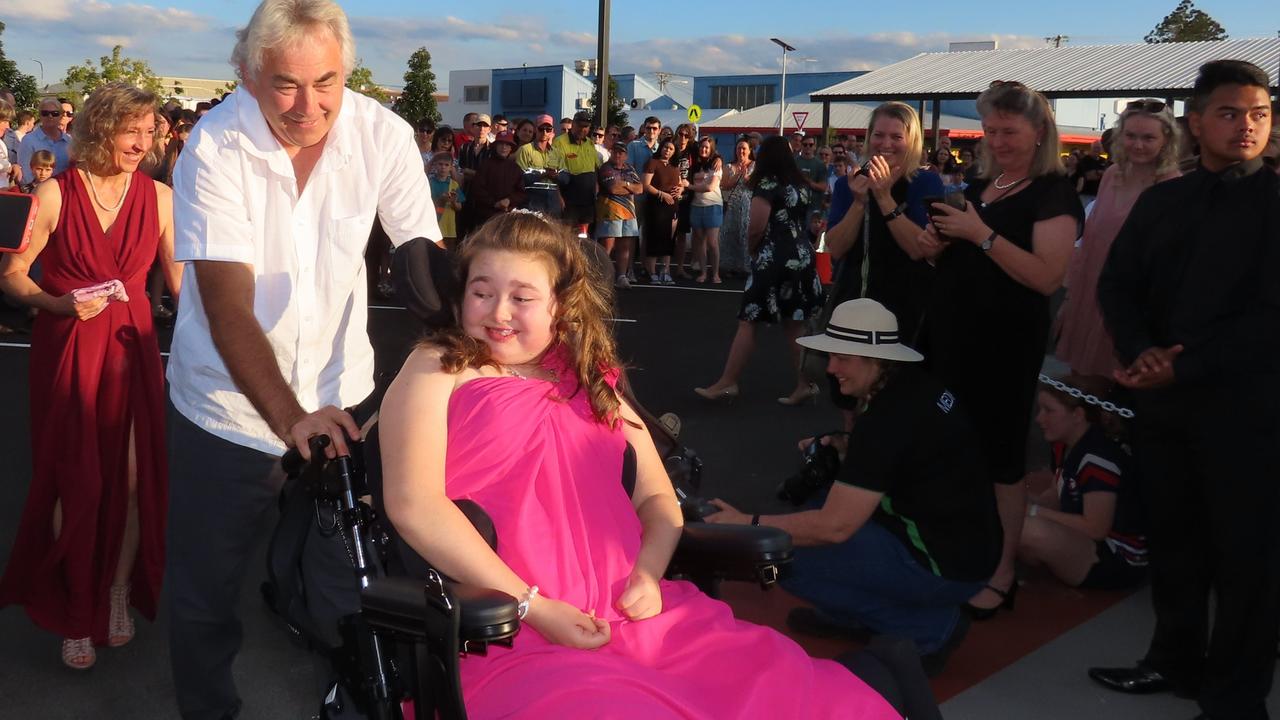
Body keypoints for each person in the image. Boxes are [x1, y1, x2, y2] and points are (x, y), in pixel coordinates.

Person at [377, 211, 899, 720]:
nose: (498, 312)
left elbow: (657, 498)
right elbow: (414, 505)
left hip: (636, 615)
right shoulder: (439, 365)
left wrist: (649, 574)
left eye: (522, 297)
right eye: (482, 291)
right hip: (508, 628)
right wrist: (532, 607)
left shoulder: (589, 378)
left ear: (560, 305)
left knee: (808, 695)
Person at [163, 1, 442, 717]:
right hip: (225, 412)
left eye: (326, 82)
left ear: (346, 70)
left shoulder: (384, 134)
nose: (308, 105)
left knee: (343, 574)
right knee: (204, 590)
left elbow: (419, 266)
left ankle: (347, 695)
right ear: (250, 74)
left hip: (340, 395)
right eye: (286, 84)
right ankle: (208, 708)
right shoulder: (215, 146)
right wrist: (292, 418)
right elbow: (228, 307)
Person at [1090, 59, 1279, 720]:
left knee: (1247, 565)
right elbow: (1117, 284)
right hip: (1164, 409)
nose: (1247, 125)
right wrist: (1140, 352)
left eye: (1259, 113)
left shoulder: (1275, 202)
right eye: (1230, 112)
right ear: (1196, 123)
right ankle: (1173, 662)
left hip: (1249, 415)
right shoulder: (1164, 202)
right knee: (1175, 547)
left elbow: (1269, 316)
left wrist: (1183, 365)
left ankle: (1235, 698)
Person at [707, 298, 1001, 676]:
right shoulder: (916, 388)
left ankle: (928, 628)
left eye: (843, 357)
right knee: (819, 503)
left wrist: (748, 524)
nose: (832, 368)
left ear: (874, 358)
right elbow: (914, 458)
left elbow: (836, 527)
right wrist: (847, 448)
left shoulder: (886, 420)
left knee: (779, 557)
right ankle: (868, 612)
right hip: (969, 548)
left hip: (948, 565)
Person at [0, 82, 181, 670]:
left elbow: (185, 286)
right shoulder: (54, 193)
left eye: (150, 130)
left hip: (132, 350)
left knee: (129, 482)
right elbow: (14, 276)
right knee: (75, 478)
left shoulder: (159, 198)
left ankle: (116, 591)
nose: (143, 140)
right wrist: (57, 304)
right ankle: (76, 606)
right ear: (103, 127)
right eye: (133, 129)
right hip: (71, 346)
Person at [917, 80, 1082, 618]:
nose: (998, 139)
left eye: (1009, 130)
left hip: (1003, 347)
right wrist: (935, 245)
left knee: (1001, 462)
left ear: (1039, 132)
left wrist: (979, 233)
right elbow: (961, 256)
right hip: (950, 338)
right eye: (991, 129)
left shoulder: (1053, 192)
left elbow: (1045, 277)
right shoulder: (983, 181)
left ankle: (1003, 571)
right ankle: (961, 552)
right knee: (950, 451)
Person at [694, 136, 826, 404]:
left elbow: (756, 226)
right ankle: (805, 384)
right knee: (794, 323)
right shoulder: (800, 184)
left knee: (749, 320)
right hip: (801, 253)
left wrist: (754, 250)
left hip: (774, 255)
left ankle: (728, 381)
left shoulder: (767, 184)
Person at [1055, 100, 1181, 378]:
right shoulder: (1112, 175)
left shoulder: (1173, 186)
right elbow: (1090, 239)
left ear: (1166, 140)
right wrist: (1071, 295)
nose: (1138, 145)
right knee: (1079, 383)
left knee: (1112, 389)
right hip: (1092, 288)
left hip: (1130, 301)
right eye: (1131, 136)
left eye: (1148, 137)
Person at [1019, 375, 1146, 590]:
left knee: (1024, 528)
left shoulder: (1097, 457)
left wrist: (1033, 511)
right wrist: (1022, 503)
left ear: (1077, 415)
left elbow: (1096, 528)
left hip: (1119, 556)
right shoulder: (1064, 444)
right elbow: (1055, 495)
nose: (1039, 419)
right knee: (1006, 511)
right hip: (1091, 544)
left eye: (1049, 411)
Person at [595, 141, 643, 288]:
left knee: (625, 246)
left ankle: (621, 276)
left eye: (621, 152)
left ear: (626, 155)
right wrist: (630, 187)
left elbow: (640, 188)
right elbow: (613, 189)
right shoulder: (606, 168)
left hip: (629, 213)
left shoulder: (630, 168)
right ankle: (602, 277)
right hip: (610, 212)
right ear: (611, 152)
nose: (617, 154)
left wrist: (626, 185)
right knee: (607, 246)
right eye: (615, 151)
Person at [462, 131, 524, 232]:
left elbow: (521, 192)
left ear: (511, 148)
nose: (504, 147)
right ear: (495, 146)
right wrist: (494, 203)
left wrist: (509, 200)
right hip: (486, 217)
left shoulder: (515, 168)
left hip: (507, 216)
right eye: (501, 144)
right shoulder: (485, 165)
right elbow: (477, 189)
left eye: (507, 145)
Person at [641, 138, 682, 285]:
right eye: (666, 147)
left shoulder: (675, 166)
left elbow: (680, 183)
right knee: (654, 238)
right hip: (656, 205)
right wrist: (661, 194)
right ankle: (652, 272)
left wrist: (680, 190)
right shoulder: (653, 162)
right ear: (661, 148)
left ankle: (666, 271)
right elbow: (645, 185)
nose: (668, 150)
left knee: (668, 240)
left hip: (672, 207)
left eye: (671, 149)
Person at [553, 111, 602, 231]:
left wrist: (597, 189)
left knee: (584, 234)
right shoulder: (560, 141)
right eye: (580, 126)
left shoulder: (590, 143)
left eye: (585, 127)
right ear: (573, 124)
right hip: (569, 196)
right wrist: (558, 197)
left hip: (588, 197)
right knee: (566, 232)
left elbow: (596, 168)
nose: (582, 129)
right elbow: (554, 172)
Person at [688, 136, 724, 283]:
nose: (703, 149)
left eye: (707, 147)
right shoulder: (694, 166)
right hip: (696, 206)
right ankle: (703, 272)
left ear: (711, 150)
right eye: (702, 147)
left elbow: (710, 187)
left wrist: (688, 186)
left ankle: (715, 273)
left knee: (712, 242)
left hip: (713, 206)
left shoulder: (716, 165)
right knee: (700, 243)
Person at [515, 114, 565, 219]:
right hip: (532, 198)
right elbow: (520, 178)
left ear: (552, 131)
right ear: (535, 130)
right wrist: (544, 174)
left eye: (548, 129)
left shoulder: (557, 153)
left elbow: (566, 178)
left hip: (553, 199)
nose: (545, 132)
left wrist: (556, 176)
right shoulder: (525, 150)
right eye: (541, 129)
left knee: (553, 233)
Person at [719, 137, 754, 278]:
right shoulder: (729, 166)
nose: (741, 151)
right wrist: (738, 174)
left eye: (744, 148)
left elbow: (755, 184)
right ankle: (729, 265)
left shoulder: (755, 166)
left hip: (748, 205)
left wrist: (746, 177)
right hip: (733, 204)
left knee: (745, 234)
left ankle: (746, 266)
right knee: (731, 234)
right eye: (739, 148)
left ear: (749, 150)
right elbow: (725, 185)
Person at [18, 98, 73, 181]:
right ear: (40, 115)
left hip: (64, 191)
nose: (50, 116)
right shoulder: (28, 141)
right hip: (36, 191)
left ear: (61, 116)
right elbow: (26, 175)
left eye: (55, 113)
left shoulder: (69, 141)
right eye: (45, 113)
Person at [428, 152, 464, 250]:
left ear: (451, 167)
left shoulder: (454, 185)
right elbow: (426, 205)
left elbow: (459, 207)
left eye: (446, 165)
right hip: (433, 228)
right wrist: (440, 200)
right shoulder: (429, 183)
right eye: (440, 164)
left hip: (449, 229)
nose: (443, 167)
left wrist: (453, 202)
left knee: (448, 257)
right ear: (435, 165)